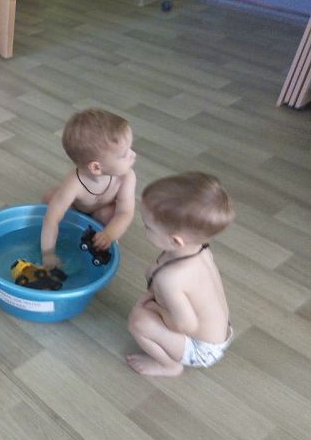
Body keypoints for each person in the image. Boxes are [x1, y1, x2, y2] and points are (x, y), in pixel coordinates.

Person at [127, 172, 234, 376]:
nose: (144, 228)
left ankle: (169, 366)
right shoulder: (201, 250)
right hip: (219, 331)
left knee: (138, 320)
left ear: (176, 241)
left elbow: (185, 325)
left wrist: (153, 307)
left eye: (148, 227)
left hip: (202, 349)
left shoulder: (171, 279)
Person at [40, 109, 137, 268]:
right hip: (77, 208)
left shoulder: (126, 177)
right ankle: (72, 227)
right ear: (96, 167)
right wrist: (48, 253)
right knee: (50, 199)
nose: (133, 154)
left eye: (130, 149)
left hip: (102, 211)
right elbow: (51, 219)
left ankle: (103, 238)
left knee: (107, 214)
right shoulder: (74, 183)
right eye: (124, 154)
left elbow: (125, 212)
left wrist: (109, 234)